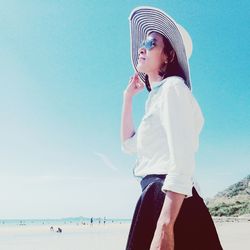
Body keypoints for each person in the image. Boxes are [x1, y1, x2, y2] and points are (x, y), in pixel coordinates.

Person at [121, 6, 223, 250]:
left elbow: (183, 159)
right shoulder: (156, 99)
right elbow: (128, 145)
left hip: (170, 200)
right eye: (143, 42)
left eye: (152, 42)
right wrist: (127, 98)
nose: (142, 47)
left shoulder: (173, 89)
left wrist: (165, 226)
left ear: (168, 56)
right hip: (157, 197)